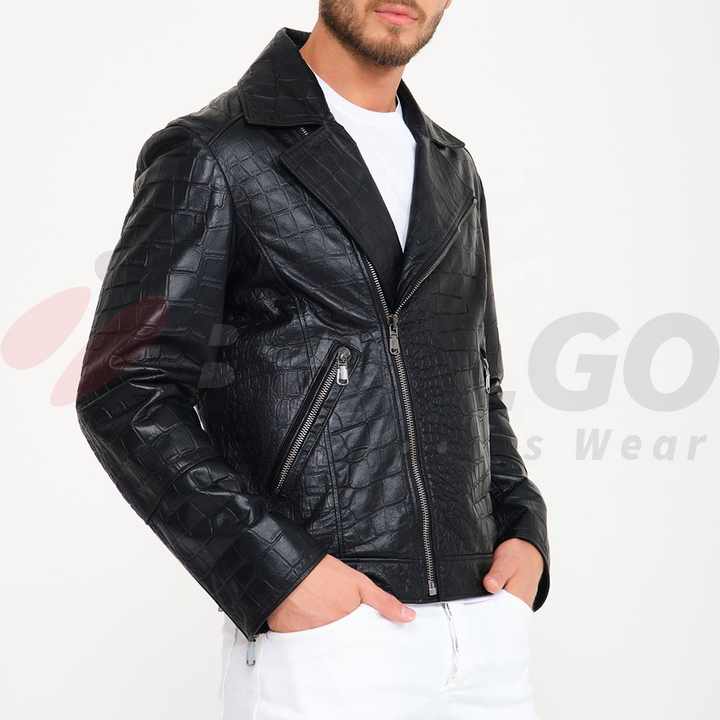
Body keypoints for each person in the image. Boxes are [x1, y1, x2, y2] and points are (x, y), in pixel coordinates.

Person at [75, 2, 550, 718]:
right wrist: (278, 571)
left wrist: (523, 529)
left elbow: (478, 381)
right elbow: (124, 390)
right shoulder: (214, 151)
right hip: (331, 644)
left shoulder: (453, 166)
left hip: (485, 636)